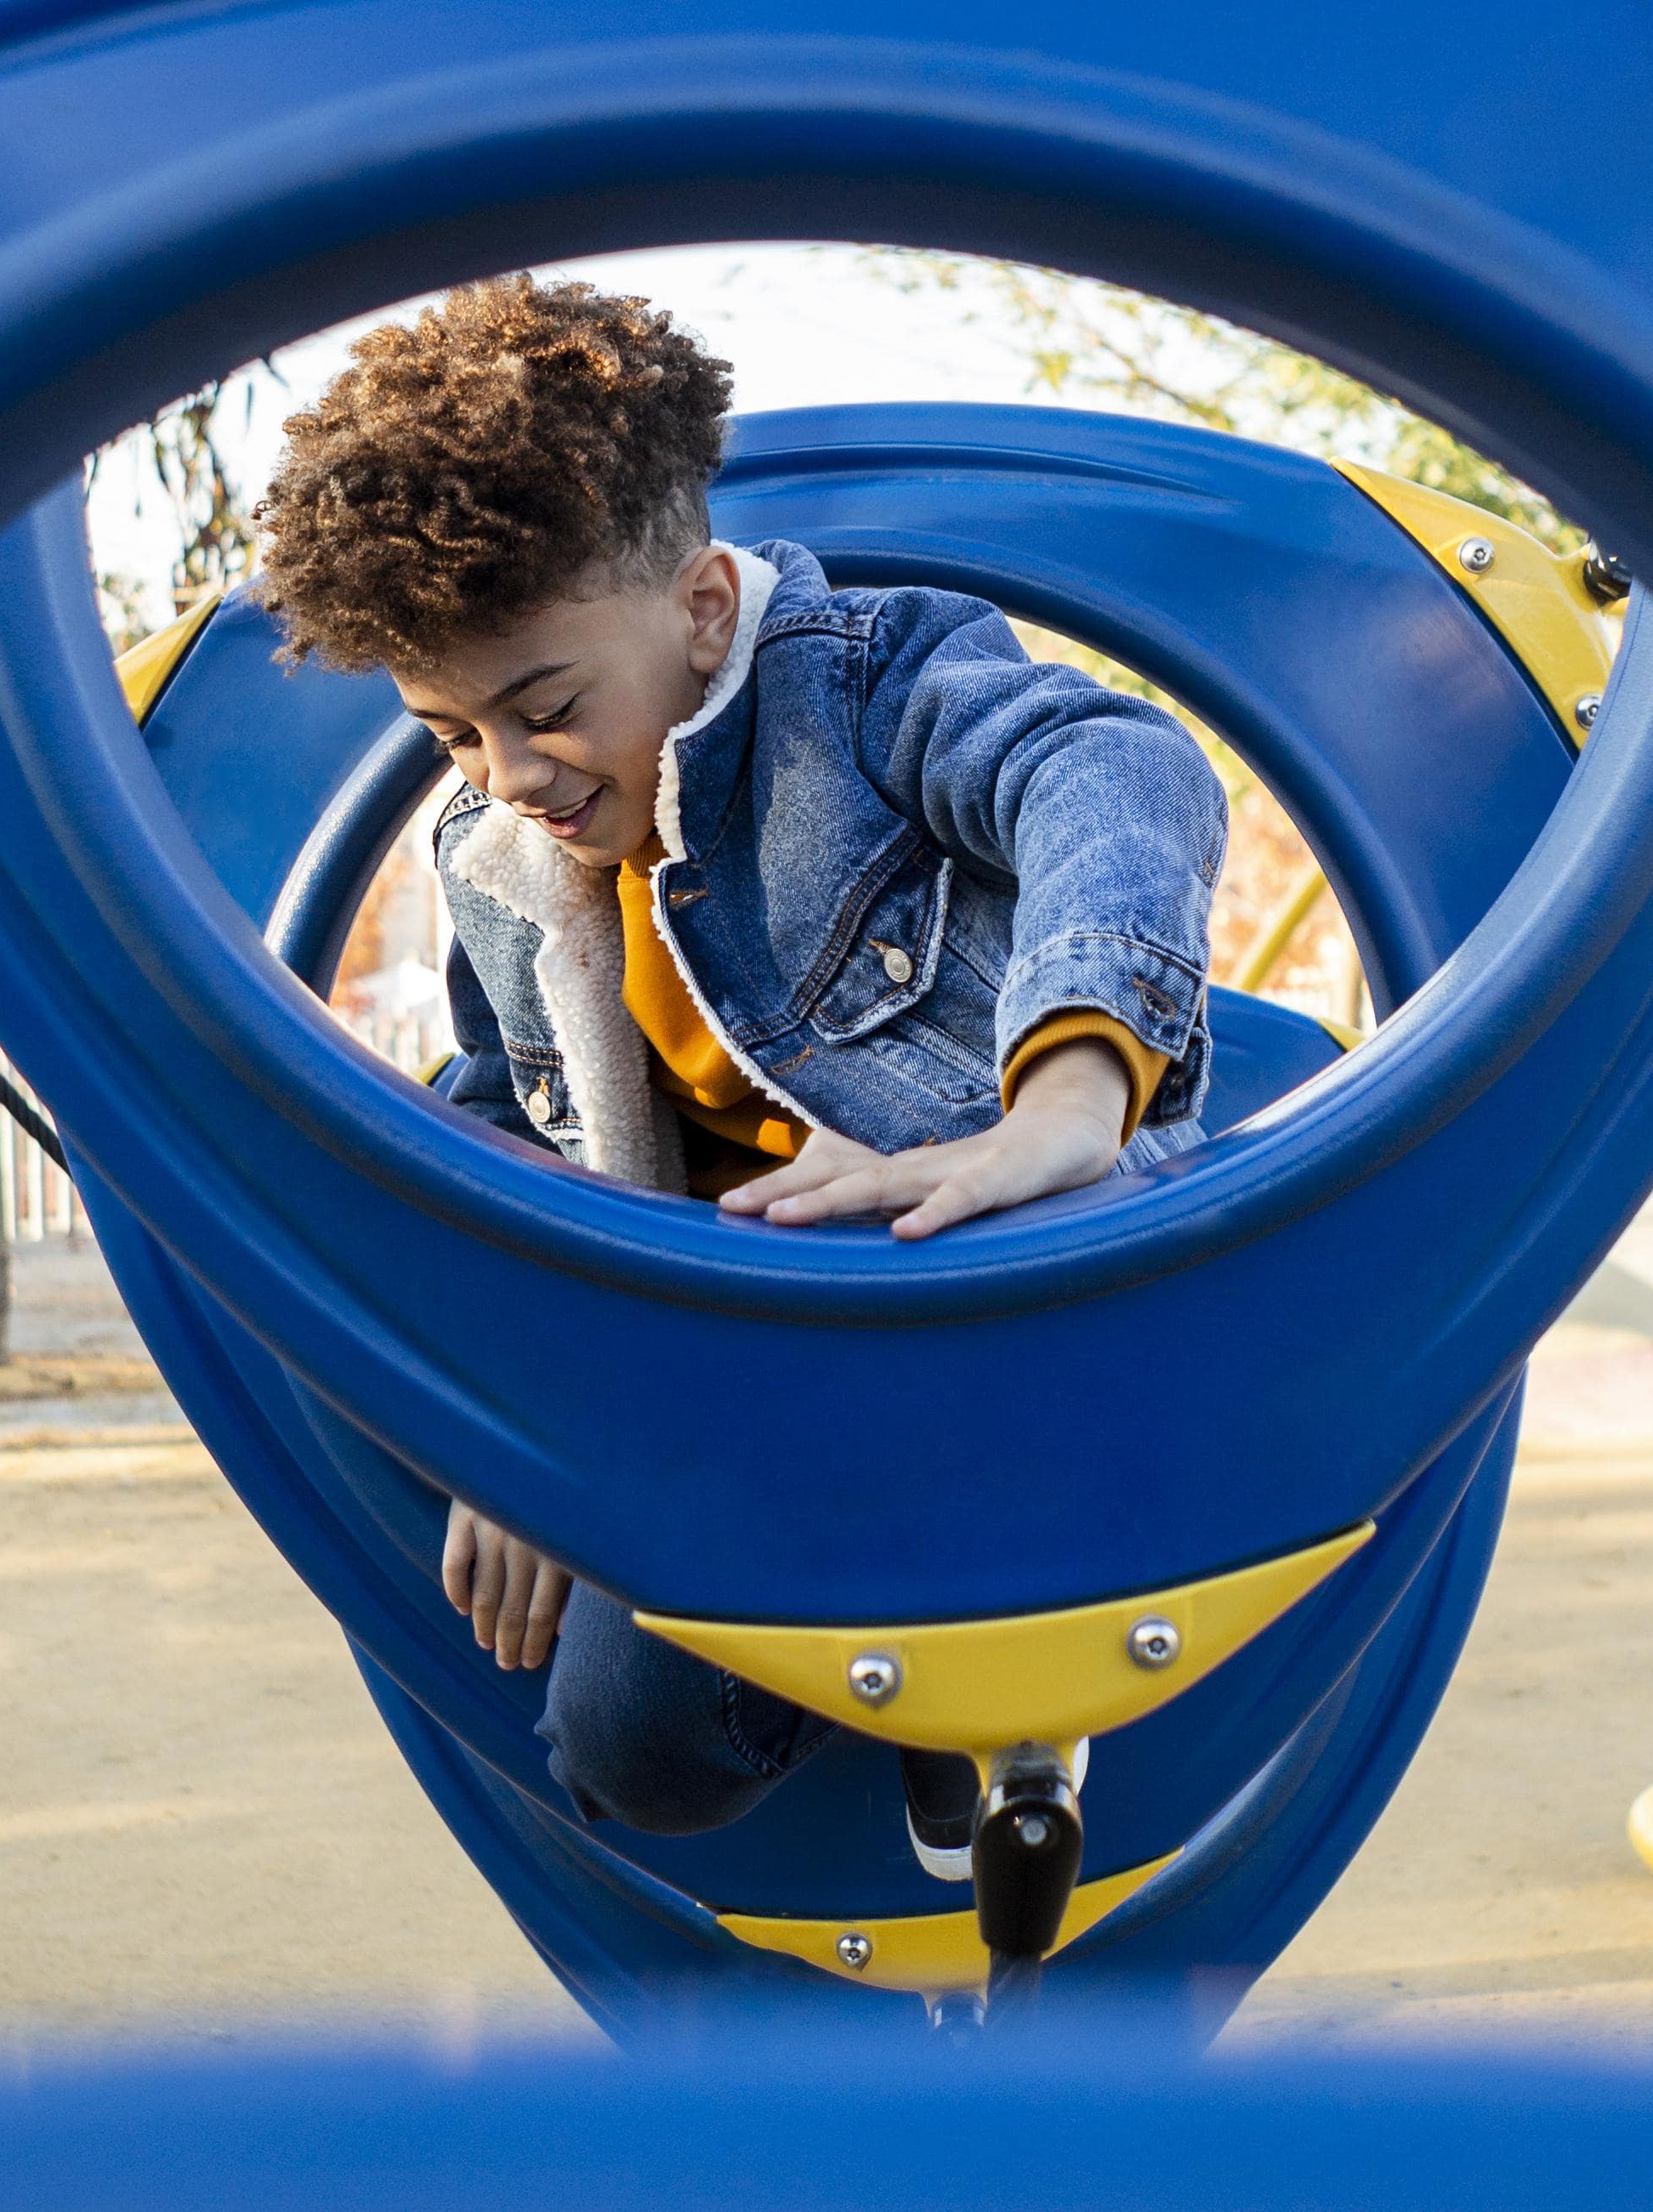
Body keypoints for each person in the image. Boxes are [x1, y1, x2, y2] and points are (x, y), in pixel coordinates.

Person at [253, 274, 1223, 1866]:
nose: (511, 775)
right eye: (451, 734)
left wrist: (1061, 1104)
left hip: (955, 1276)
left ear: (704, 608)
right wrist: (512, 1418)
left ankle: (963, 1644)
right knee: (613, 1722)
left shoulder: (862, 684)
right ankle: (882, 1630)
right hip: (724, 1351)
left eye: (547, 708)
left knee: (654, 1698)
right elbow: (507, 1107)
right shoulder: (499, 857)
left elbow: (1112, 767)